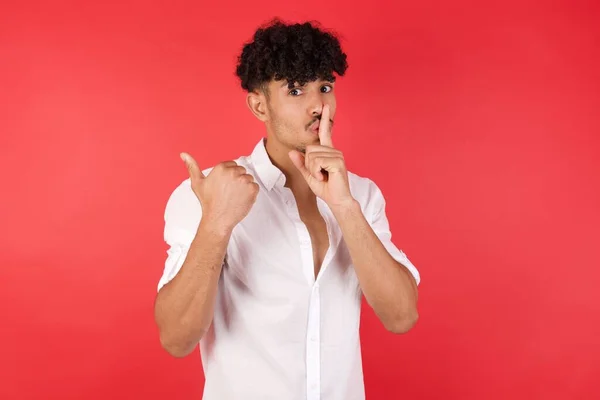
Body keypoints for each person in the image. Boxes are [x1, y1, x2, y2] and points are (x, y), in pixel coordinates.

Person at [154, 18, 421, 400]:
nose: (318, 105)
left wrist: (344, 205)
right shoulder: (209, 194)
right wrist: (216, 224)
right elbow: (176, 339)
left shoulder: (361, 195)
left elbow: (402, 317)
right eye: (295, 90)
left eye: (325, 87)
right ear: (259, 105)